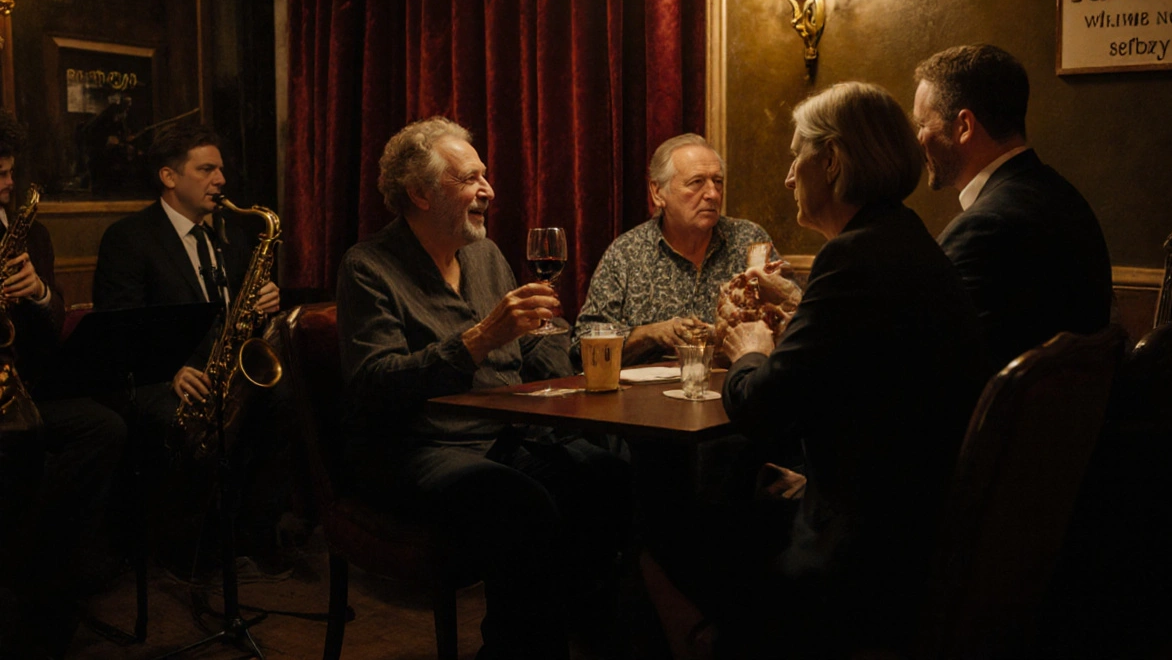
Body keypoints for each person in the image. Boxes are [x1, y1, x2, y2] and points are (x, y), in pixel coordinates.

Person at [704, 82, 988, 658]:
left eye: (795, 156)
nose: (787, 176)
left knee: (690, 514)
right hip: (916, 522)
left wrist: (750, 348)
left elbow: (761, 406)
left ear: (830, 161)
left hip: (868, 557)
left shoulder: (854, 255)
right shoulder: (901, 237)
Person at [337, 117, 631, 659]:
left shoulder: (485, 255)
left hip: (503, 433)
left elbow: (527, 351)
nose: (488, 190)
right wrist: (479, 337)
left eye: (485, 176)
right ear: (420, 193)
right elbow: (374, 385)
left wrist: (585, 350)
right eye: (470, 178)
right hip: (419, 446)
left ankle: (592, 636)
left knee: (608, 474)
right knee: (520, 505)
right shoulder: (368, 267)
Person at [92, 123, 285, 573]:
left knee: (285, 401)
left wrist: (263, 303)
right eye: (206, 169)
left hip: (224, 368)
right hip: (162, 376)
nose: (220, 179)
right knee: (193, 422)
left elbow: (235, 316)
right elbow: (120, 329)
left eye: (221, 169)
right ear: (169, 177)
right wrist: (173, 369)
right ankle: (187, 544)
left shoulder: (230, 237)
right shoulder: (129, 237)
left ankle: (254, 531)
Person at [0, 110, 127, 659]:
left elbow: (52, 327)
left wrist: (39, 294)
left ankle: (41, 565)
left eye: (8, 171)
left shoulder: (33, 232)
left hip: (23, 388)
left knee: (105, 426)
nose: (6, 183)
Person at [914, 44, 1113, 372]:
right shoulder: (1064, 197)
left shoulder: (984, 228)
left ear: (964, 126)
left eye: (922, 123)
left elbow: (935, 366)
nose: (919, 138)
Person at [574, 133, 791, 366]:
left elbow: (791, 324)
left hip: (734, 390)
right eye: (696, 182)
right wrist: (652, 334)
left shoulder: (749, 240)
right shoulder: (626, 253)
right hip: (646, 398)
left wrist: (725, 335)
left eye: (717, 182)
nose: (712, 194)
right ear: (658, 193)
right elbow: (582, 346)